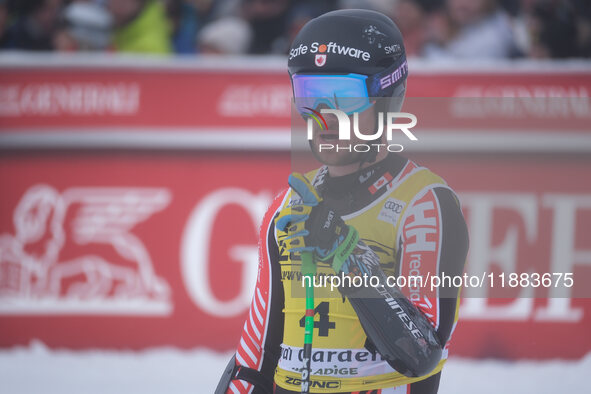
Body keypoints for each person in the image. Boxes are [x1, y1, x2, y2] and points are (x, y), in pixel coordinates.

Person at [216, 9, 469, 394]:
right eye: (310, 95)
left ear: (386, 99)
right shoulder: (286, 207)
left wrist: (346, 251)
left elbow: (421, 352)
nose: (324, 116)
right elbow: (256, 358)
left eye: (344, 97)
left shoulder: (425, 203)